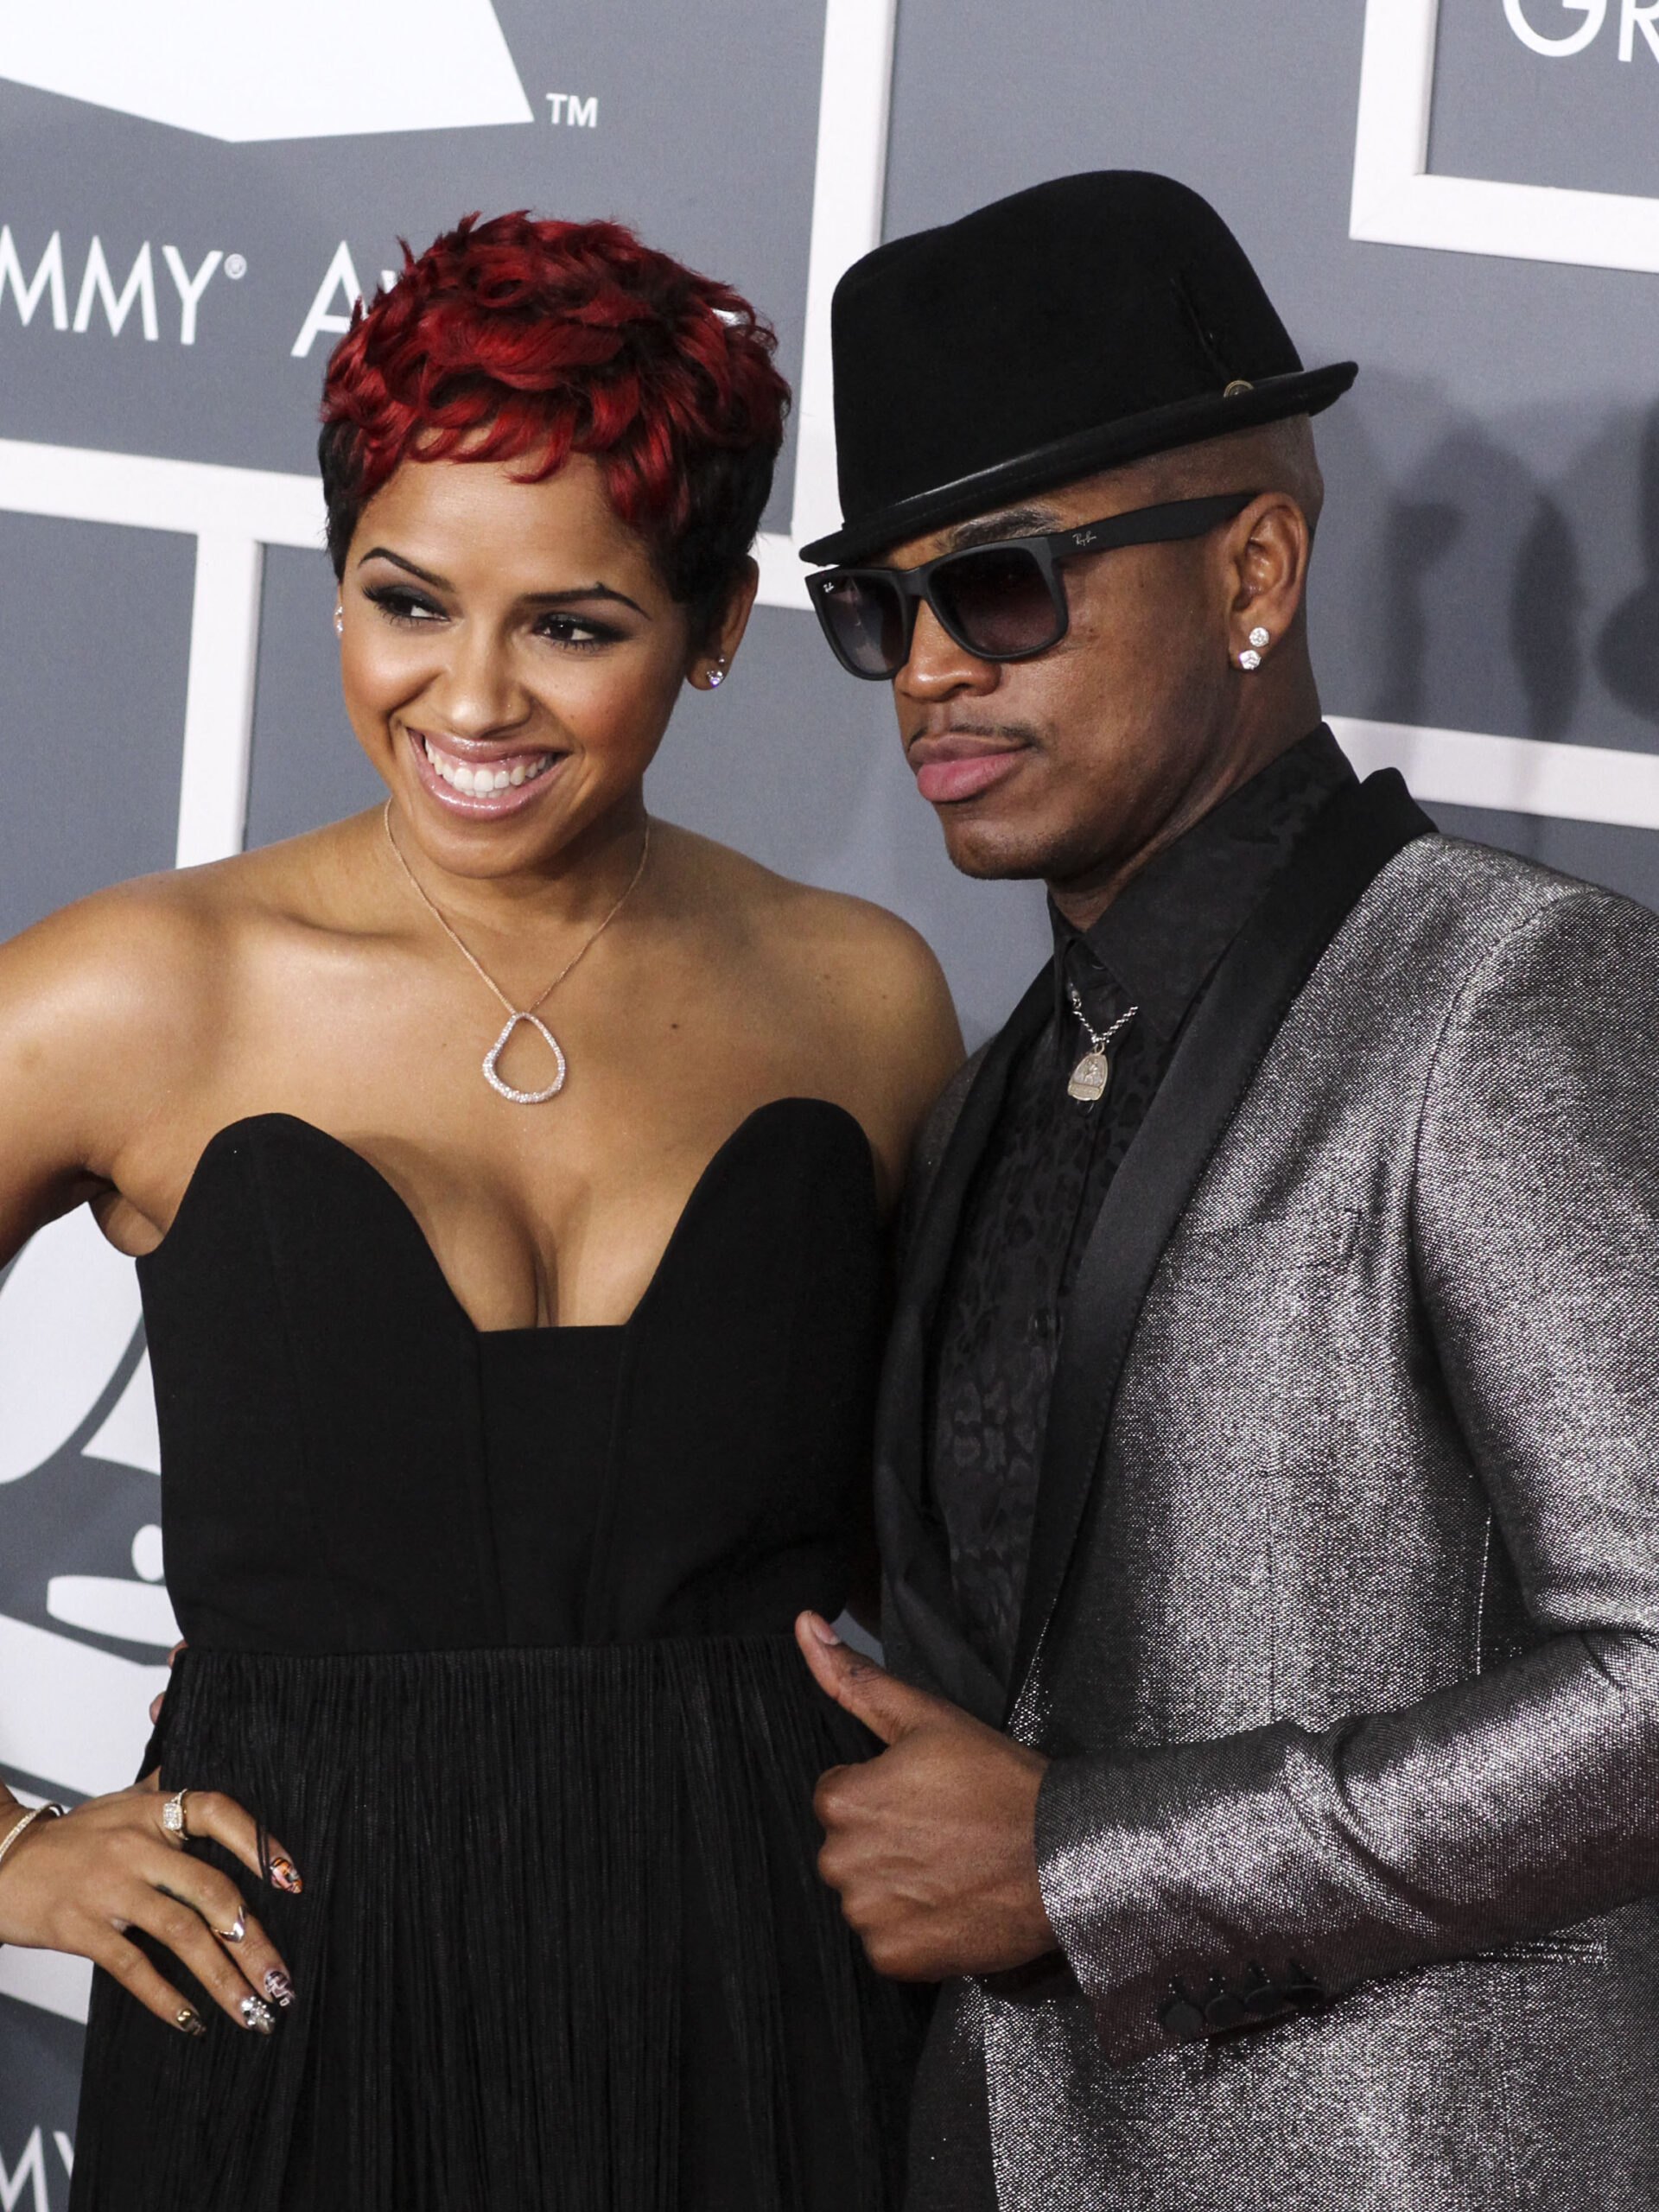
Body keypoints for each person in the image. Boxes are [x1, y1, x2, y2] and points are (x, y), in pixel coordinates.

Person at [0, 210, 960, 2210]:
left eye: (576, 624)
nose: (475, 697)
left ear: (712, 625)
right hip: (286, 2002)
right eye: (405, 600)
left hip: (769, 2004)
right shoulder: (140, 989)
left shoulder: (862, 998)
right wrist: (8, 1855)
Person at [789, 171, 1659, 2209]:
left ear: (1255, 561)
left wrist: (1085, 1856)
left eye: (1000, 584)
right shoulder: (1001, 1069)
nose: (928, 668)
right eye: (878, 608)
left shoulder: (1505, 997)